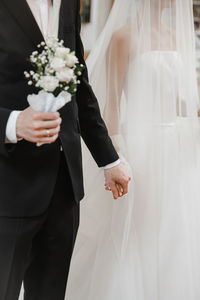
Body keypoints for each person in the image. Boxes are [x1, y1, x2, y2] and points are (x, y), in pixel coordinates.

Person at [66, 0, 200, 299]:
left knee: (173, 229)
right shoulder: (123, 37)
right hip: (140, 144)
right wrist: (117, 154)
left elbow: (178, 100)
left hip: (174, 146)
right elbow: (111, 104)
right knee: (137, 229)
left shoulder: (178, 36)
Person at [0, 0, 131, 299]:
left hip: (63, 189)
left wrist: (108, 159)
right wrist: (13, 123)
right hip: (7, 186)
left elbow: (78, 84)